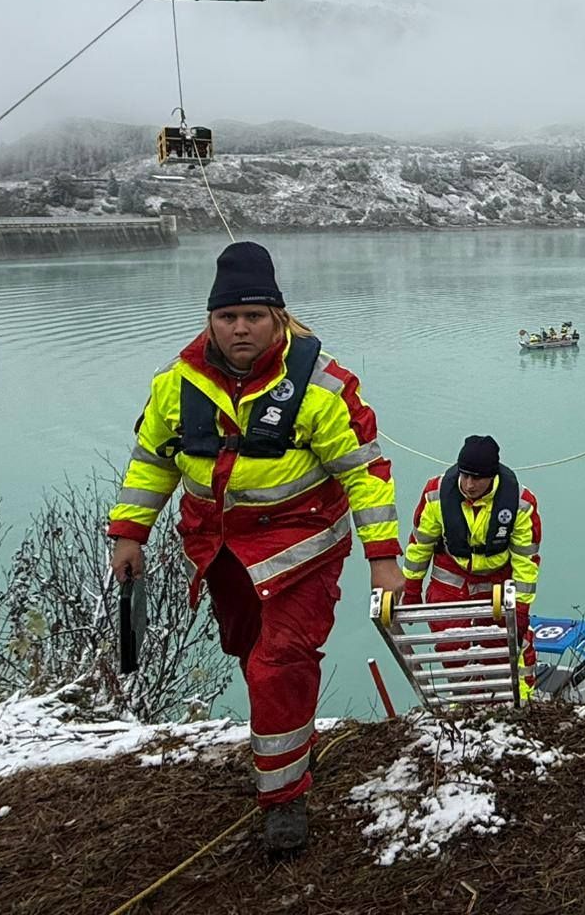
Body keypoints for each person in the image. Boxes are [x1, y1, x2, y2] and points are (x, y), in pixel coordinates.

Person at [106, 242, 400, 853]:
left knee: (280, 661)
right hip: (217, 548)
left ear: (279, 318)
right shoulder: (174, 384)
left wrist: (383, 558)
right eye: (227, 316)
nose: (240, 328)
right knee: (248, 650)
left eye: (254, 316)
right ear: (210, 320)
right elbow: (151, 462)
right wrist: (130, 532)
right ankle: (286, 738)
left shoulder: (322, 387)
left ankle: (284, 799)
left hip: (302, 547)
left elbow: (364, 473)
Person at [400, 434, 542, 700]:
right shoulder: (436, 495)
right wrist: (411, 588)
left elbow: (526, 561)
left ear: (492, 477)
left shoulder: (520, 504)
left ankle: (519, 699)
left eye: (476, 478)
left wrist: (521, 609)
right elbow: (420, 544)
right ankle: (465, 701)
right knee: (451, 646)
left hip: (497, 580)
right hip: (451, 577)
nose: (468, 484)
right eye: (464, 476)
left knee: (507, 644)